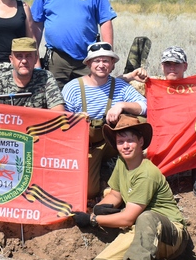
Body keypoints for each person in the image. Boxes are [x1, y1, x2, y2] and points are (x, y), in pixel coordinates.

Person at [73, 115, 190, 260]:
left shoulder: (146, 173)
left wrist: (92, 220)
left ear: (141, 141)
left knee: (146, 217)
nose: (125, 146)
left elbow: (128, 218)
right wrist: (99, 209)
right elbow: (115, 194)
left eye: (130, 141)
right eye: (120, 142)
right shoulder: (122, 162)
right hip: (137, 230)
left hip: (170, 236)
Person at [61, 42, 147, 199]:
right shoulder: (73, 88)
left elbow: (144, 106)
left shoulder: (120, 86)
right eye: (97, 60)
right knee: (89, 192)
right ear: (88, 63)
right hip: (85, 146)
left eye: (106, 61)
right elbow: (62, 122)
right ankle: (100, 178)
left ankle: (132, 174)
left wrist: (121, 105)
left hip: (112, 142)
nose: (101, 65)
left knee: (138, 121)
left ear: (112, 64)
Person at [32, 0, 118, 91]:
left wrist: (108, 55)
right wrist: (34, 58)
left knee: (91, 98)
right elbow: (36, 26)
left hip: (88, 57)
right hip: (57, 59)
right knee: (54, 100)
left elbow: (105, 20)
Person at [126, 46, 196, 199]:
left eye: (176, 64)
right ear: (162, 66)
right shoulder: (152, 85)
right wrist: (131, 76)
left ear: (185, 66)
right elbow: (112, 85)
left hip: (189, 134)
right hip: (162, 133)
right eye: (168, 64)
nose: (172, 68)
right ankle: (150, 176)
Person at [0, 37, 65, 111]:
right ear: (11, 59)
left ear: (35, 59)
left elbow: (58, 113)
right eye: (19, 56)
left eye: (28, 56)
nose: (24, 61)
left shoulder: (46, 78)